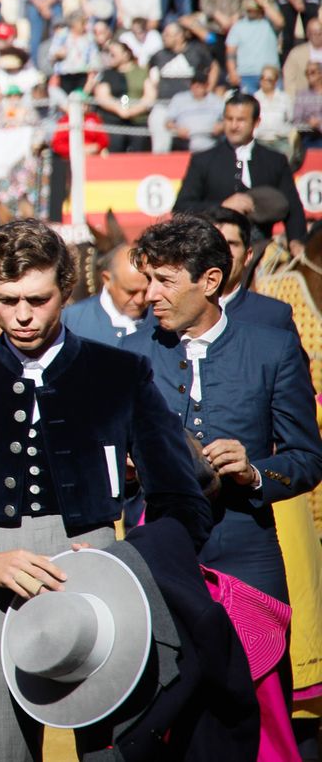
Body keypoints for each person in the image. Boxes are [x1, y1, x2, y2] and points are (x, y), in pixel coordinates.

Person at [0, 218, 212, 761]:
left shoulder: (119, 373)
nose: (21, 315)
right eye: (6, 299)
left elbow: (182, 504)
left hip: (107, 580)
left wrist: (130, 559)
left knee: (114, 755)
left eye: (37, 300)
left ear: (66, 290)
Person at [121, 215, 322, 601]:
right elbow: (104, 460)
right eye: (149, 281)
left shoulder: (271, 350)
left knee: (256, 662)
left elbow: (308, 458)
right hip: (157, 549)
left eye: (165, 281)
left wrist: (254, 472)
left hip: (247, 552)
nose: (150, 295)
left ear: (210, 281)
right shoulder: (131, 356)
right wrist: (126, 469)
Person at [173, 91, 308, 255]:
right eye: (229, 119)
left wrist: (296, 241)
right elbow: (181, 208)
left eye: (241, 120)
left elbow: (293, 208)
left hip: (261, 252)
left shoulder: (275, 161)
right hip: (212, 251)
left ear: (256, 122)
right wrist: (222, 206)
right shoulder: (203, 160)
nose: (234, 125)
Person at [62, 246, 149, 342]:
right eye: (131, 292)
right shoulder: (71, 322)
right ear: (107, 280)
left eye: (146, 291)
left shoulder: (160, 318)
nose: (140, 300)